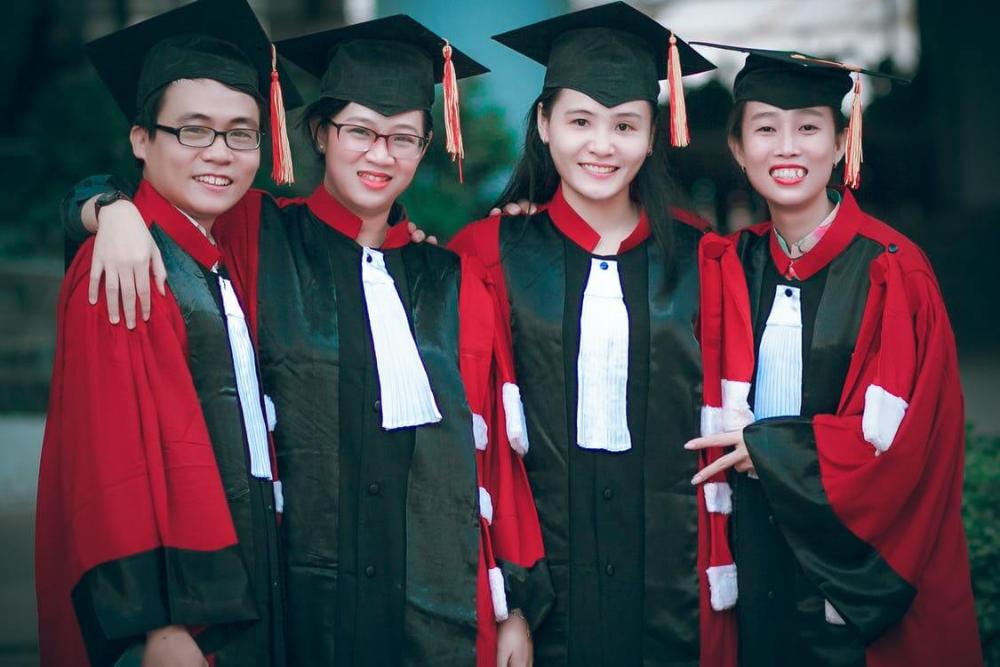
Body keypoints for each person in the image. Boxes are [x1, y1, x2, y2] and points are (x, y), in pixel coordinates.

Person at [59, 14, 551, 667]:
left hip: (434, 611)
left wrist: (513, 606)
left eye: (404, 137)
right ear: (320, 132)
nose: (381, 154)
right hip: (296, 611)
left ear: (427, 144)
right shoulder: (260, 235)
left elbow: (493, 460)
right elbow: (172, 200)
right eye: (359, 131)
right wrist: (105, 207)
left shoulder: (454, 282)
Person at [450, 3, 742, 665]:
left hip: (673, 586)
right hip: (542, 591)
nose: (602, 146)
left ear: (653, 134)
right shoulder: (488, 254)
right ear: (544, 124)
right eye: (580, 121)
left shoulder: (703, 258)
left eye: (625, 125)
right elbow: (467, 445)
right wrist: (505, 603)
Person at [685, 43, 983, 666]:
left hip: (852, 580)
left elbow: (916, 447)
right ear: (738, 148)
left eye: (809, 128)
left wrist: (772, 451)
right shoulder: (726, 264)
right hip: (755, 560)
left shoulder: (894, 272)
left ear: (843, 141)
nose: (787, 148)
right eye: (765, 129)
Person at [35, 0, 302, 665]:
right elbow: (109, 464)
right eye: (193, 130)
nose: (219, 153)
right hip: (181, 611)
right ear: (140, 140)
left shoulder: (231, 244)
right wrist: (158, 625)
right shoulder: (122, 267)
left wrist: (101, 204)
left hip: (248, 573)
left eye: (241, 134)